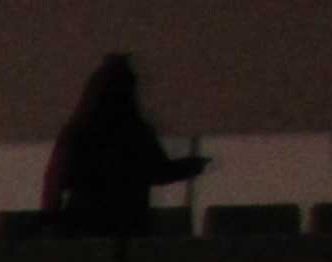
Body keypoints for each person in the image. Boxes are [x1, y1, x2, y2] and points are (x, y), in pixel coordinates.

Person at [40, 52, 208, 240]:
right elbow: (158, 172)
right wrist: (194, 165)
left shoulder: (78, 131)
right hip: (129, 225)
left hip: (83, 227)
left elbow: (55, 179)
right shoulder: (136, 130)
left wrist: (51, 222)